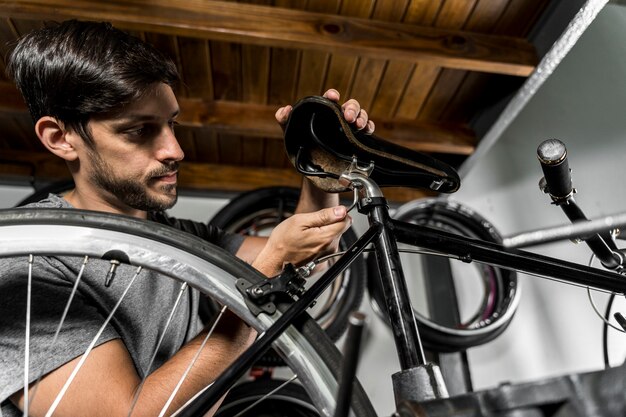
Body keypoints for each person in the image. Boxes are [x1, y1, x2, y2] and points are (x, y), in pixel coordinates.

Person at [0, 20, 375, 417]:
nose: (175, 150)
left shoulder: (175, 238)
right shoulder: (27, 260)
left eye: (171, 124)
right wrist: (261, 282)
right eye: (140, 130)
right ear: (60, 139)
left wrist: (319, 166)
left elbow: (308, 251)